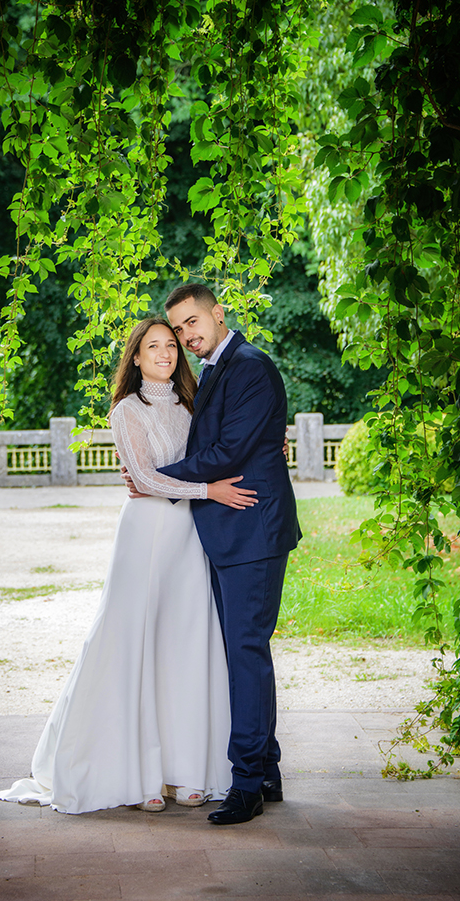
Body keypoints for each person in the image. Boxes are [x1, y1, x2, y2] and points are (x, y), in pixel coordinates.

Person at [0, 318, 256, 814]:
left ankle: (186, 769)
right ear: (135, 357)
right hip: (146, 536)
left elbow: (230, 443)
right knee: (134, 643)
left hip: (189, 536)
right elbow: (144, 479)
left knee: (185, 646)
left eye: (171, 345)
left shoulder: (194, 403)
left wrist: (270, 443)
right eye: (152, 346)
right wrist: (208, 490)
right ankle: (140, 775)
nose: (164, 353)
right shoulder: (126, 410)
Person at [152, 284, 302, 824]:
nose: (186, 336)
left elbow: (228, 451)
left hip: (252, 532)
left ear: (217, 313)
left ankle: (246, 786)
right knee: (246, 653)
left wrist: (153, 477)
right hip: (232, 534)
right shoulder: (217, 368)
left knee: (245, 653)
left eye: (192, 322)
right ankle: (267, 770)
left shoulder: (249, 367)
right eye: (179, 329)